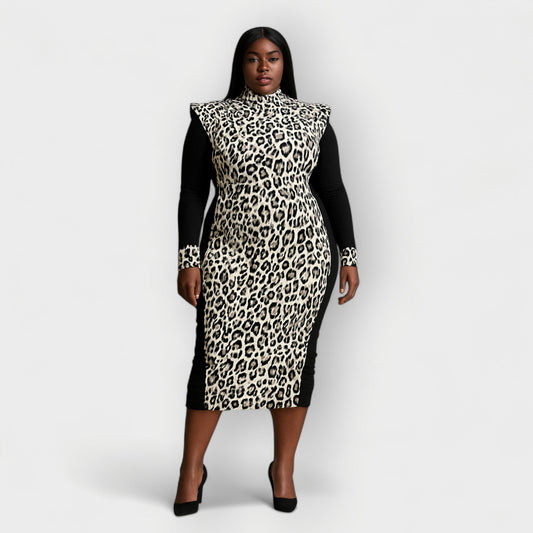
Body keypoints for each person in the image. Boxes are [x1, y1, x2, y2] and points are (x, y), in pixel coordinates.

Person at [174, 26, 360, 515]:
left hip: (303, 260)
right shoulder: (210, 118)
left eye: (273, 58)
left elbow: (333, 190)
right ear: (240, 64)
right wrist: (188, 258)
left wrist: (350, 254)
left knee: (294, 362)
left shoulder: (313, 119)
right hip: (228, 256)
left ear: (285, 64)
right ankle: (191, 469)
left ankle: (283, 468)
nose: (263, 67)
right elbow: (193, 192)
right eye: (254, 58)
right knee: (213, 360)